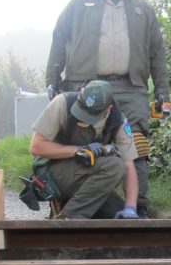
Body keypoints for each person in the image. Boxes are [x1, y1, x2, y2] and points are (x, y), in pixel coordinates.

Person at [44, 0, 170, 217]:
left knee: (136, 144)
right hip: (85, 84)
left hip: (131, 85)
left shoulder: (143, 10)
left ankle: (138, 208)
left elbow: (157, 52)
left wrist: (162, 91)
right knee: (78, 140)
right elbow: (59, 39)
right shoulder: (80, 2)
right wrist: (52, 80)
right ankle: (68, 201)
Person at [30, 80, 139, 220]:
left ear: (108, 109)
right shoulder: (63, 103)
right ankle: (68, 219)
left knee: (116, 214)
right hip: (52, 173)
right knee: (114, 165)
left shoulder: (118, 120)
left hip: (88, 176)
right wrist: (78, 150)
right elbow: (36, 147)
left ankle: (69, 209)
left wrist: (131, 207)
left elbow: (129, 165)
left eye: (91, 116)